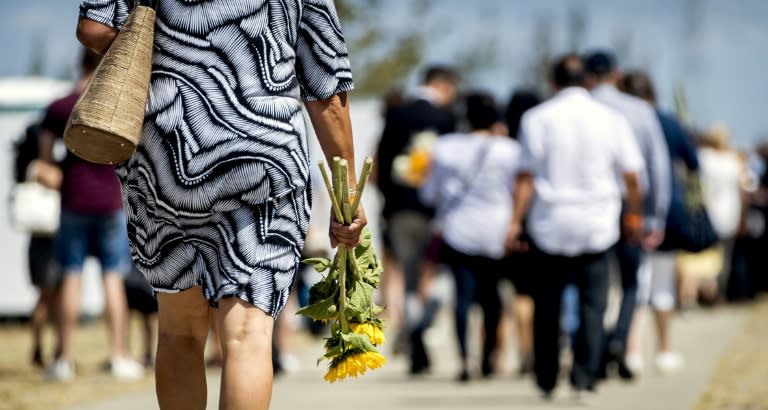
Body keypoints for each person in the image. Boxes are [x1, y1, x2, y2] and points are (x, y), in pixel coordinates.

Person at [77, 0, 365, 408]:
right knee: (247, 333)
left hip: (166, 155)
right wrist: (347, 190)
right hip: (261, 156)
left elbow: (93, 28)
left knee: (179, 331)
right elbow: (326, 88)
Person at [506, 55, 644, 397]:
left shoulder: (537, 118)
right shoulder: (611, 118)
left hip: (550, 223)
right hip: (598, 224)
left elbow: (526, 176)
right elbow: (632, 176)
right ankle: (585, 377)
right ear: (589, 82)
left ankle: (547, 378)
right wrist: (634, 216)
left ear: (553, 83)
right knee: (593, 306)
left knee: (547, 305)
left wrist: (515, 221)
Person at [37, 49, 144, 382]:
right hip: (112, 200)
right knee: (113, 278)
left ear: (79, 62)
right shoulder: (119, 103)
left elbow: (45, 161)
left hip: (73, 201)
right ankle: (119, 356)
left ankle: (64, 359)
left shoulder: (61, 106)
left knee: (72, 276)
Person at [420, 92, 521, 382]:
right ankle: (489, 356)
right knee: (492, 298)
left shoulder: (445, 147)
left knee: (462, 297)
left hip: (459, 229)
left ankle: (465, 359)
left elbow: (429, 193)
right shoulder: (510, 150)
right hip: (497, 231)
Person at [584, 50, 671, 380]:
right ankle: (619, 336)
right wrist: (655, 216)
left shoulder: (583, 109)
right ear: (616, 74)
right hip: (630, 206)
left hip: (591, 205)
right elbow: (657, 167)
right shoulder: (638, 110)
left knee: (592, 282)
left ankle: (593, 346)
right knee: (631, 280)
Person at [374, 65, 458, 375]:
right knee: (435, 274)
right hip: (434, 211)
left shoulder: (396, 113)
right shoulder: (445, 118)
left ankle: (411, 333)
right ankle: (423, 326)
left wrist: (386, 201)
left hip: (398, 209)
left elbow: (380, 163)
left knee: (405, 277)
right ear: (444, 85)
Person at [620, 71, 700, 375]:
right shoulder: (669, 122)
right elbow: (693, 163)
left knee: (634, 284)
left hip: (630, 211)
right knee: (662, 284)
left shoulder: (620, 120)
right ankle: (664, 350)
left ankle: (632, 351)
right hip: (667, 213)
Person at [502, 89, 541, 376]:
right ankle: (536, 348)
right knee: (541, 292)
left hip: (510, 225)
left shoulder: (505, 147)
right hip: (539, 224)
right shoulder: (537, 146)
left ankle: (523, 349)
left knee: (519, 293)